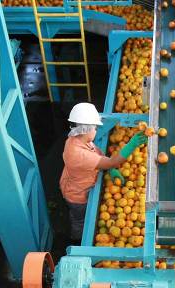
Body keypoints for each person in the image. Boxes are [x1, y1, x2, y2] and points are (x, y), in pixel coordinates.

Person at [60, 102, 147, 243]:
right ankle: (77, 238)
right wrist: (131, 144)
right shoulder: (79, 154)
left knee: (78, 214)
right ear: (86, 129)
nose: (96, 130)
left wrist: (109, 169)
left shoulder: (76, 139)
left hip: (74, 181)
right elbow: (112, 161)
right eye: (94, 127)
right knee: (79, 218)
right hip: (77, 195)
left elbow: (96, 153)